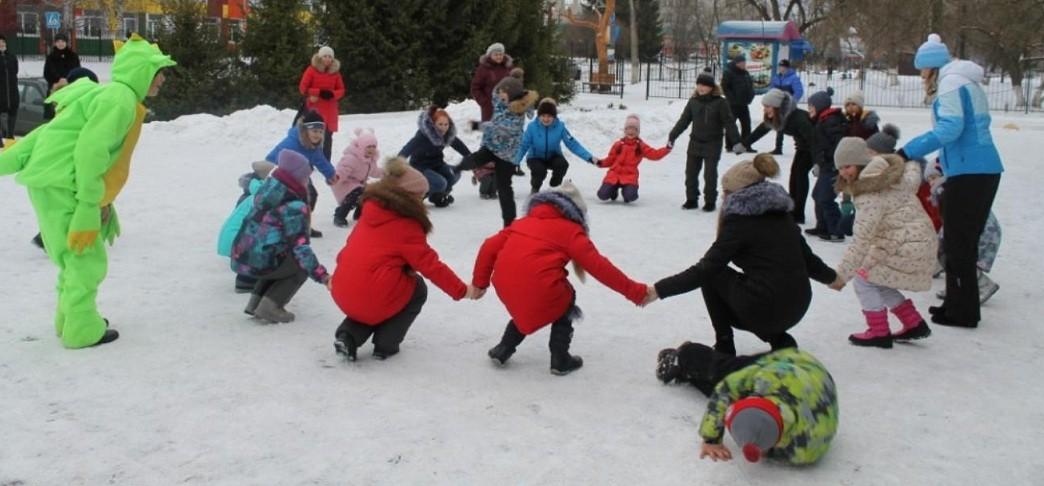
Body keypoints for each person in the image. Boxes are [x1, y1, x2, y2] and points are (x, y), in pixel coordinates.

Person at [0, 34, 174, 348]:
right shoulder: (119, 100)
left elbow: (47, 134)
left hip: (49, 183)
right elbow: (90, 151)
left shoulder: (103, 95)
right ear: (139, 72)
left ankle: (69, 318)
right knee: (86, 259)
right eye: (156, 70)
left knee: (72, 258)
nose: (162, 78)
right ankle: (81, 328)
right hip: (67, 186)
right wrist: (88, 205)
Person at [646, 155, 837, 355]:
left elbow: (705, 269)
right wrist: (833, 278)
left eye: (726, 192)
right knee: (763, 282)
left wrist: (658, 290)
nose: (723, 198)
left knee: (714, 275)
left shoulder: (739, 222)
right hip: (798, 306)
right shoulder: (783, 215)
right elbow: (808, 260)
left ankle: (724, 343)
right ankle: (777, 337)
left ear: (738, 194)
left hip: (766, 309)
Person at [473, 182, 649, 375]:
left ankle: (503, 348)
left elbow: (489, 246)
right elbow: (601, 267)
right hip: (539, 288)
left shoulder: (521, 223)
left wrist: (480, 283)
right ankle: (560, 358)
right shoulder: (571, 231)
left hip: (505, 285)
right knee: (563, 299)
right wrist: (635, 292)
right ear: (575, 212)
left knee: (529, 302)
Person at [901, 33, 1003, 328]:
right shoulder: (961, 80)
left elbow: (951, 128)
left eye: (922, 69)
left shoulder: (950, 82)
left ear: (931, 67)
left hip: (971, 170)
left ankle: (964, 312)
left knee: (959, 244)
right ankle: (954, 304)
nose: (921, 75)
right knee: (959, 243)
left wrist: (909, 150)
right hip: (974, 168)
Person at [331, 158, 480, 361]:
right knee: (414, 289)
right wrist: (463, 290)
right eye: (420, 196)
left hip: (341, 288)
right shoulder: (406, 225)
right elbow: (431, 266)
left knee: (374, 292)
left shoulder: (370, 212)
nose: (423, 201)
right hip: (370, 295)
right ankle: (386, 344)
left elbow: (347, 250)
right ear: (408, 197)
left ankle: (348, 335)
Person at [655, 343, 838, 465]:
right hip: (793, 365)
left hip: (803, 371)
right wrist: (711, 438)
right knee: (721, 371)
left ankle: (685, 366)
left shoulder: (806, 450)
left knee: (718, 385)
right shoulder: (765, 378)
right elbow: (725, 390)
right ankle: (687, 354)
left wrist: (757, 445)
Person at [830, 138, 936, 347]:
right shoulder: (891, 176)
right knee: (879, 279)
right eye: (840, 168)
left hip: (904, 244)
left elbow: (861, 240)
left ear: (861, 162)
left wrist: (842, 275)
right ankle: (913, 323)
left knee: (864, 280)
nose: (844, 172)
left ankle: (879, 332)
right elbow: (913, 172)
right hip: (919, 240)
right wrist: (907, 161)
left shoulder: (869, 194)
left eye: (848, 166)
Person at [231, 150, 332, 323]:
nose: (307, 182)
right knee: (298, 266)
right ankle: (270, 307)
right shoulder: (294, 204)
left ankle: (255, 303)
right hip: (260, 262)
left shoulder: (269, 187)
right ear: (297, 177)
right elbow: (301, 248)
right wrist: (322, 276)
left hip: (243, 255)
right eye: (305, 177)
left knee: (275, 254)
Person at [456, 76, 538, 227]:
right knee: (475, 159)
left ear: (512, 94)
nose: (500, 94)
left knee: (504, 187)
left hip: (507, 155)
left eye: (503, 92)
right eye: (500, 91)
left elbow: (502, 129)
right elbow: (494, 95)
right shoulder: (500, 102)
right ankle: (456, 168)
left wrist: (478, 126)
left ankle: (509, 224)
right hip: (492, 146)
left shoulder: (518, 113)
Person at [668, 73, 744, 211]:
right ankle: (691, 199)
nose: (701, 88)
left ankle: (710, 201)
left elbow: (729, 123)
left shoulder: (720, 103)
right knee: (690, 173)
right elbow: (684, 121)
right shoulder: (693, 102)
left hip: (713, 143)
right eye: (699, 84)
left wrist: (736, 141)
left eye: (705, 85)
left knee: (710, 174)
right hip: (695, 142)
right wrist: (672, 136)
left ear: (712, 87)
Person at [745, 89, 815, 223]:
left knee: (800, 175)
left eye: (768, 107)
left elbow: (814, 140)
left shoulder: (798, 118)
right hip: (803, 147)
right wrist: (745, 144)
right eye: (764, 107)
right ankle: (793, 209)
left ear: (778, 106)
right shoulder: (780, 116)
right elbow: (763, 129)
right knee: (795, 175)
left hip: (815, 147)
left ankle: (798, 213)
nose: (765, 110)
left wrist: (818, 162)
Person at [264, 109, 337, 237]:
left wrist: (330, 174)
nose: (318, 135)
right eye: (314, 131)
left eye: (320, 132)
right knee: (284, 200)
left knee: (311, 196)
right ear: (305, 130)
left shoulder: (313, 146)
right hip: (283, 176)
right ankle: (279, 225)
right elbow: (273, 158)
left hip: (300, 176)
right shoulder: (292, 143)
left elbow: (321, 161)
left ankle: (303, 225)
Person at [514, 97, 597, 194]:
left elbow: (573, 144)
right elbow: (523, 146)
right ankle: (535, 188)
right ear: (539, 115)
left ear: (554, 117)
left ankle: (554, 187)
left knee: (562, 164)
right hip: (535, 157)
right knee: (539, 170)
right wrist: (515, 161)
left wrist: (589, 157)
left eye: (549, 116)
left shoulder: (560, 127)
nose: (546, 119)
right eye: (543, 116)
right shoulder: (532, 127)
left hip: (553, 156)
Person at [218, 161, 277, 293]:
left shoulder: (250, 192)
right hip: (235, 241)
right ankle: (246, 280)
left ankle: (246, 276)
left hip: (232, 238)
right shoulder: (260, 197)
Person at [399, 106, 471, 208]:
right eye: (440, 124)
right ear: (433, 124)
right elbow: (408, 148)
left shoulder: (447, 134)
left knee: (455, 173)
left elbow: (460, 146)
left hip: (437, 164)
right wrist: (397, 163)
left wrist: (473, 159)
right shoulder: (423, 135)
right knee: (440, 183)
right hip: (420, 166)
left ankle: (437, 196)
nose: (443, 127)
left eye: (446, 124)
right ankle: (415, 197)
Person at [595, 114, 671, 204]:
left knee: (631, 196)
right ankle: (613, 191)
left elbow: (654, 154)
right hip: (613, 175)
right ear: (625, 130)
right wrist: (600, 163)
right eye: (628, 129)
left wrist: (667, 149)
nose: (631, 132)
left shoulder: (640, 146)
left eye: (634, 129)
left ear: (638, 132)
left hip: (629, 177)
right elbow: (610, 159)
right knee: (602, 195)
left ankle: (626, 192)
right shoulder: (618, 144)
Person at [805, 87, 847, 242]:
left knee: (825, 198)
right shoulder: (822, 120)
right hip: (825, 165)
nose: (809, 110)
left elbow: (837, 144)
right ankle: (822, 226)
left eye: (811, 107)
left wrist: (832, 161)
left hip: (833, 166)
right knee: (817, 195)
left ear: (820, 107)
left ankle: (836, 230)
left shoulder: (831, 121)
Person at [298, 45, 345, 162]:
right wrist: (319, 92)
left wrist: (332, 94)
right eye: (325, 56)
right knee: (311, 135)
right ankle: (308, 161)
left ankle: (326, 161)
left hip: (330, 110)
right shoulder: (311, 70)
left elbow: (342, 90)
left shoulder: (336, 73)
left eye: (330, 57)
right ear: (320, 57)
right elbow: (303, 88)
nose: (328, 59)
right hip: (315, 109)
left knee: (328, 137)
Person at [331, 128, 383, 226]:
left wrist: (387, 173)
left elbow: (374, 171)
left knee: (368, 192)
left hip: (357, 184)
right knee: (358, 192)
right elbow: (342, 169)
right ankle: (340, 216)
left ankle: (359, 214)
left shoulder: (370, 160)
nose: (371, 149)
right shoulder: (352, 158)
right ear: (361, 146)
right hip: (342, 183)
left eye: (373, 146)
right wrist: (337, 177)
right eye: (368, 147)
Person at [470, 42, 515, 125]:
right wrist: (485, 102)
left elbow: (515, 83)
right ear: (490, 55)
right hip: (490, 108)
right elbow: (475, 87)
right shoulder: (483, 68)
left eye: (500, 54)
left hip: (508, 107)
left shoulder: (508, 67)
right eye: (496, 54)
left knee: (508, 132)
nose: (499, 57)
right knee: (491, 133)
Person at [767, 60, 803, 154]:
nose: (781, 68)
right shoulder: (777, 77)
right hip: (778, 106)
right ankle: (778, 147)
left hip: (788, 106)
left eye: (782, 66)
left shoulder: (793, 78)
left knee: (793, 126)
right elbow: (772, 89)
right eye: (780, 66)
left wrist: (792, 102)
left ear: (787, 67)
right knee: (779, 125)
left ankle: (799, 145)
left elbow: (799, 91)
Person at [720, 54, 755, 152]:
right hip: (733, 104)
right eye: (742, 63)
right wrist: (732, 98)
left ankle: (746, 145)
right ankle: (730, 146)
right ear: (737, 63)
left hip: (744, 104)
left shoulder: (745, 73)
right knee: (731, 125)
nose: (744, 64)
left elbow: (750, 86)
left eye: (745, 63)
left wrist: (751, 95)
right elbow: (725, 87)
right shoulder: (729, 73)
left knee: (746, 125)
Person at [42, 33, 81, 120]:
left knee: (68, 116)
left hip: (70, 89)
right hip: (54, 90)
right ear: (55, 43)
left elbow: (78, 72)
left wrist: (68, 80)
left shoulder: (73, 56)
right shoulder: (50, 57)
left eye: (63, 41)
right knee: (54, 116)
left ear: (66, 43)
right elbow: (46, 73)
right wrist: (57, 80)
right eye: (58, 41)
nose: (60, 44)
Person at [0, 34, 18, 142]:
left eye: (3, 42)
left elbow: (15, 72)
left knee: (12, 114)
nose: (1, 44)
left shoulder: (12, 57)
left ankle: (10, 136)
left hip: (12, 93)